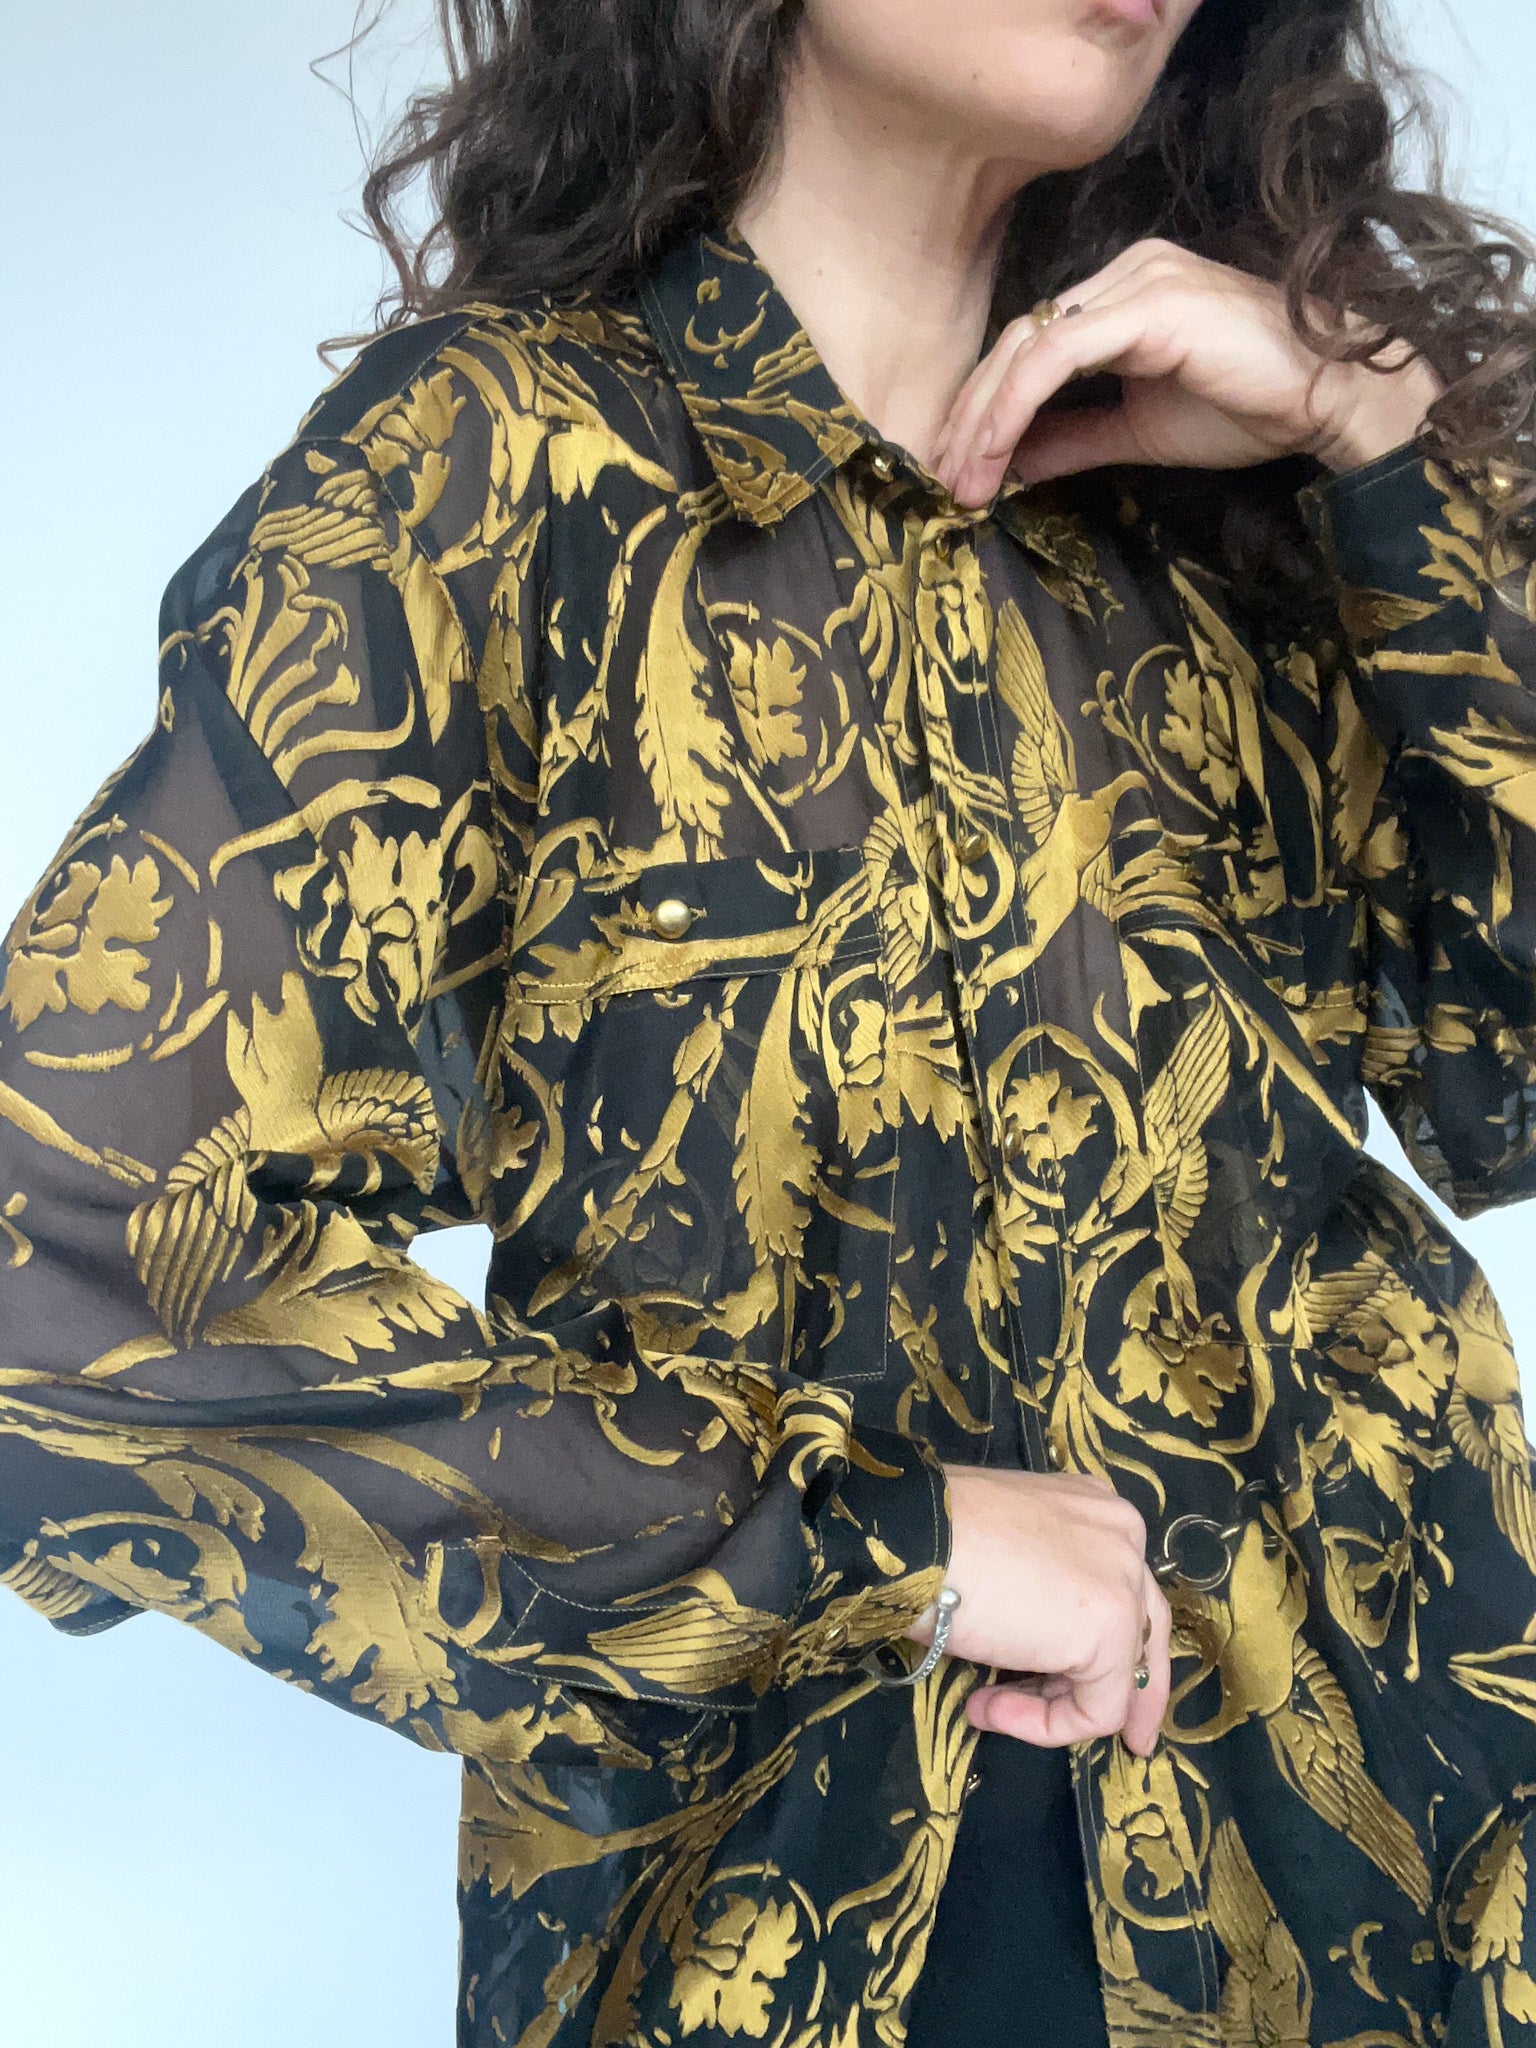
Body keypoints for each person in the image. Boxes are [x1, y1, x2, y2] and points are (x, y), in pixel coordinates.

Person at [3, 0, 1536, 2040]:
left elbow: (1503, 1076)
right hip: (821, 1922)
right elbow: (61, 1274)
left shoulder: (1233, 487)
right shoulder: (491, 477)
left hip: (1409, 1863)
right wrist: (872, 1549)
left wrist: (1378, 433)